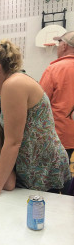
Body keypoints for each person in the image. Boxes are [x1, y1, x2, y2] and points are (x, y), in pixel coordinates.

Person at [0, 40, 71, 204]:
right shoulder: (3, 88)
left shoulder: (14, 85)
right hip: (29, 166)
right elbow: (8, 127)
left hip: (42, 168)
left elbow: (13, 141)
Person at [40, 31, 74, 162]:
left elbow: (39, 103)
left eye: (59, 43)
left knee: (57, 176)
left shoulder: (54, 69)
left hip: (59, 136)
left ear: (64, 46)